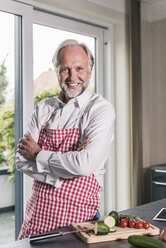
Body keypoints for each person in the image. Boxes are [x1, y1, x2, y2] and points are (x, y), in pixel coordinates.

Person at [15, 39, 115, 239]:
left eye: (79, 68)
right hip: (37, 217)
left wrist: (39, 154)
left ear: (90, 70)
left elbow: (84, 165)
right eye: (65, 69)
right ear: (56, 71)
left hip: (79, 222)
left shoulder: (99, 109)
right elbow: (21, 160)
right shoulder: (43, 108)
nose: (72, 77)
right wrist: (66, 166)